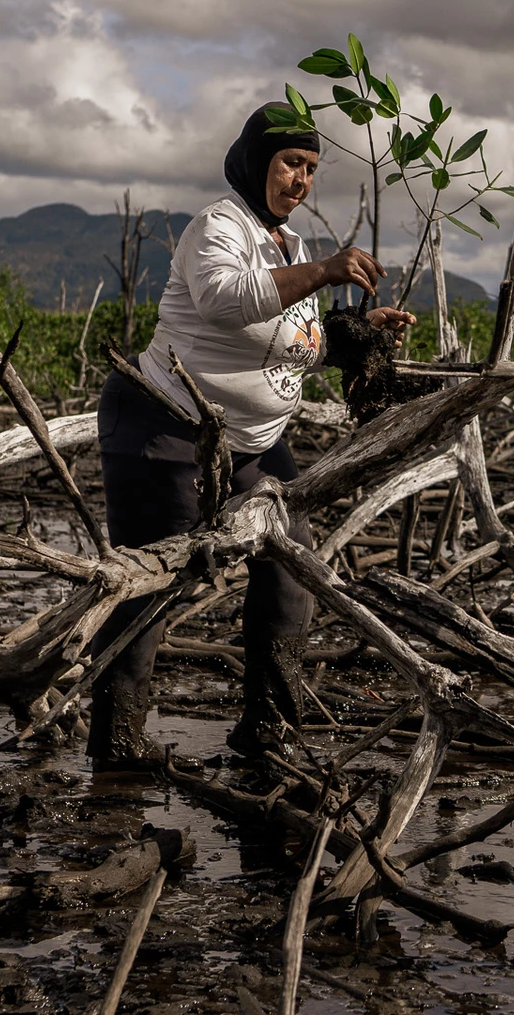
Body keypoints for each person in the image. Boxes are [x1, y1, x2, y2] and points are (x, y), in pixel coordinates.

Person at [89, 101, 413, 768]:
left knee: (291, 563)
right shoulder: (219, 226)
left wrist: (358, 334)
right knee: (155, 580)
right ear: (255, 161)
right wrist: (325, 271)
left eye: (312, 168)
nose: (301, 179)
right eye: (291, 162)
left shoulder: (289, 248)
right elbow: (223, 300)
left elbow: (293, 344)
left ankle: (269, 728)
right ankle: (116, 747)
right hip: (166, 429)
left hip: (253, 444)